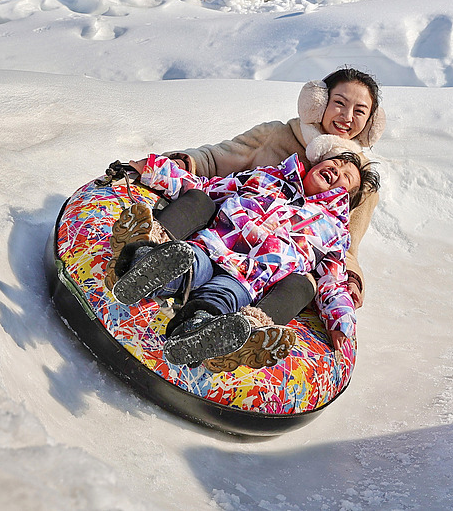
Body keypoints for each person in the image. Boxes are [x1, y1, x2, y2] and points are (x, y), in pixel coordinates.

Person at [110, 150, 380, 373]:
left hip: (246, 279)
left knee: (221, 300)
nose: (337, 170)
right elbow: (206, 187)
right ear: (315, 164)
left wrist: (342, 325)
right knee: (185, 262)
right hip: (210, 246)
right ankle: (142, 260)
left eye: (346, 177)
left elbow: (332, 283)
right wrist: (155, 169)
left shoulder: (333, 231)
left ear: (345, 199)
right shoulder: (266, 178)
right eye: (336, 162)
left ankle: (198, 334)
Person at [165, 68, 386, 311]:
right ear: (318, 102)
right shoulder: (276, 136)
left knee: (304, 284)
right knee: (199, 202)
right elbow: (213, 160)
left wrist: (352, 281)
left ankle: (249, 328)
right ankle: (152, 254)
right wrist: (178, 163)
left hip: (274, 271)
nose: (347, 116)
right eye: (339, 103)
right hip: (223, 236)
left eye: (359, 111)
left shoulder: (361, 185)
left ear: (370, 123)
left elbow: (345, 248)